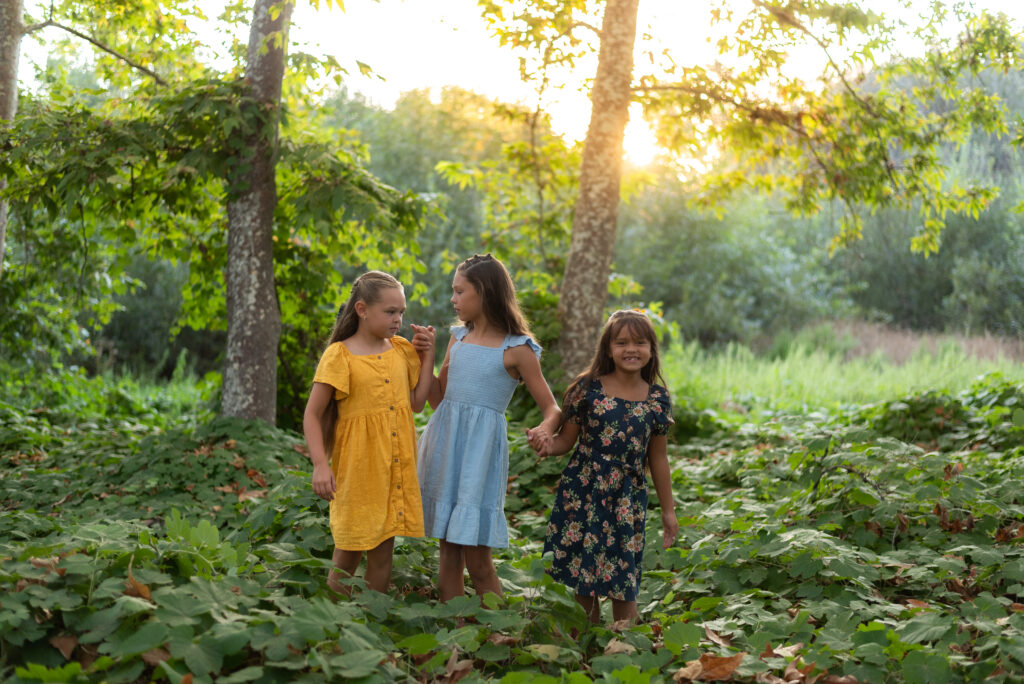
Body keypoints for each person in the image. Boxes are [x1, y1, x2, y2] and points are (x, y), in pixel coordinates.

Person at [417, 253, 560, 602]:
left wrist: (545, 428)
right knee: (448, 553)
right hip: (446, 447)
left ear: (484, 292)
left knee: (478, 560)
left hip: (479, 457)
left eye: (459, 291)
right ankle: (456, 635)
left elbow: (552, 407)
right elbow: (439, 400)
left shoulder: (517, 349)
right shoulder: (458, 338)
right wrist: (428, 357)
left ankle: (499, 635)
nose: (453, 299)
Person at [534, 309, 678, 624]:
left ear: (651, 349)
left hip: (627, 500)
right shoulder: (587, 390)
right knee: (584, 580)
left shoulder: (656, 399)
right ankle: (583, 651)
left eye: (640, 342)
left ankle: (621, 650)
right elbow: (565, 441)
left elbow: (658, 458)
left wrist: (668, 510)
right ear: (608, 349)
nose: (631, 349)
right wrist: (547, 445)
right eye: (622, 342)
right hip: (584, 492)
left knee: (623, 580)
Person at [302, 270, 436, 595]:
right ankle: (334, 627)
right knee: (347, 552)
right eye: (390, 312)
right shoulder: (340, 355)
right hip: (358, 471)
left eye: (401, 312)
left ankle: (372, 626)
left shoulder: (402, 351)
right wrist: (320, 465)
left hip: (393, 468)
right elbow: (312, 414)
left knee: (382, 556)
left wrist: (428, 354)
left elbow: (417, 404)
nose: (398, 320)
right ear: (362, 310)